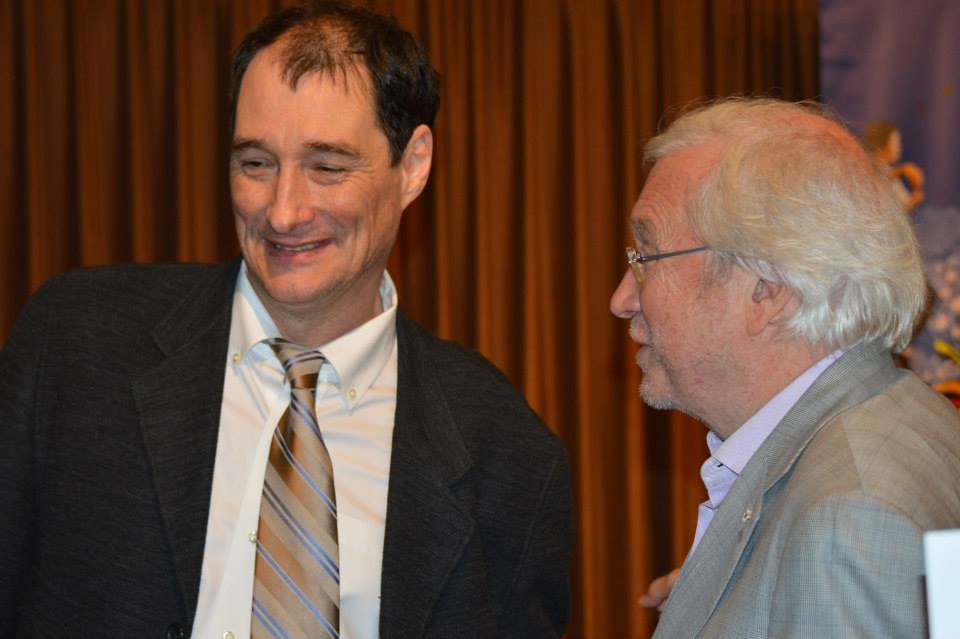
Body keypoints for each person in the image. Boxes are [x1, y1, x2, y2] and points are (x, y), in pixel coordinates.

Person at [0, 3, 572, 638]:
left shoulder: (506, 451)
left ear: (413, 164)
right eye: (256, 163)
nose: (282, 212)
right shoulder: (76, 342)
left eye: (326, 168)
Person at [610, 98, 960, 638]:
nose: (622, 300)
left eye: (646, 258)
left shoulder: (846, 519)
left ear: (767, 289)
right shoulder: (908, 418)